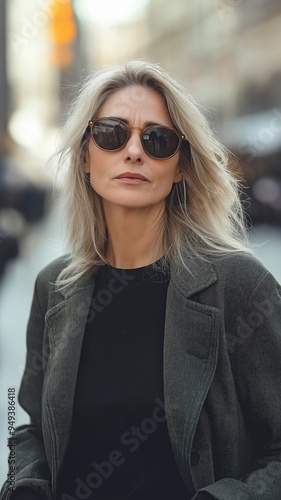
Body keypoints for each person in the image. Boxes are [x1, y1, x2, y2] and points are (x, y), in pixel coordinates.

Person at [1, 60, 281, 500]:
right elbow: (30, 427)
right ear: (86, 156)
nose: (134, 151)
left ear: (181, 167)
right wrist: (25, 487)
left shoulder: (241, 287)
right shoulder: (54, 286)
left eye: (157, 140)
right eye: (112, 134)